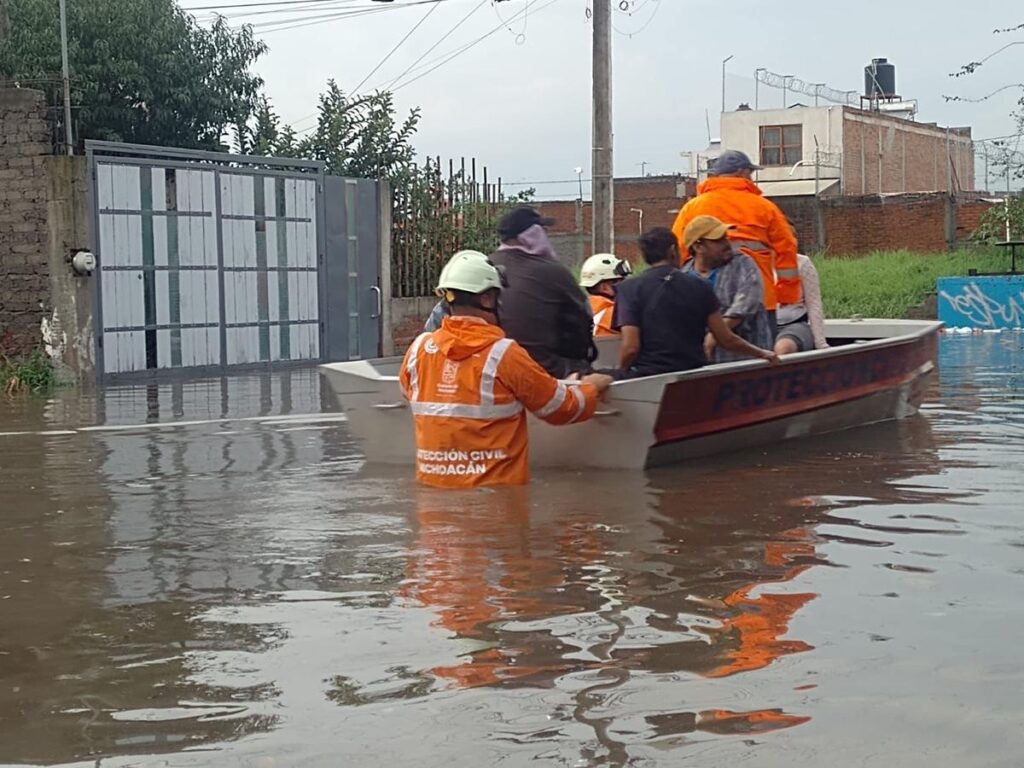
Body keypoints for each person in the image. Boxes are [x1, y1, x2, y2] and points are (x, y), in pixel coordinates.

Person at [399, 250, 614, 488]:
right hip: (495, 499)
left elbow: (413, 392)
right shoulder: (503, 355)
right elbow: (559, 408)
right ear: (487, 299)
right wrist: (590, 388)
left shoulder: (418, 349)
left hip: (433, 508)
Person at [612, 228, 779, 378]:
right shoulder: (700, 286)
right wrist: (762, 353)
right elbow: (725, 338)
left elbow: (631, 347)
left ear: (644, 256)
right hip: (693, 374)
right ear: (672, 251)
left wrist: (622, 374)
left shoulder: (628, 289)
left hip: (648, 376)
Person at [670, 149, 801, 337]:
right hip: (760, 299)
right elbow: (787, 249)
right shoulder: (764, 207)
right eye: (751, 173)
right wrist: (787, 294)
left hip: (706, 298)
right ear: (741, 172)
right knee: (759, 358)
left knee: (710, 358)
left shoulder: (693, 207)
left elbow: (678, 251)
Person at [489, 206, 595, 378]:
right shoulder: (553, 271)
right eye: (542, 230)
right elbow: (585, 317)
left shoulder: (486, 264)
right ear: (532, 234)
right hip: (545, 369)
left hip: (491, 368)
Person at [679, 215, 773, 363]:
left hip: (747, 363)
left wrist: (713, 335)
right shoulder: (683, 276)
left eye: (725, 237)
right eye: (718, 240)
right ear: (698, 247)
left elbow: (746, 305)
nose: (726, 243)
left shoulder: (743, 264)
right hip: (702, 367)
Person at [774, 254, 829, 354]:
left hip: (795, 325)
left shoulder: (802, 262)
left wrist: (821, 344)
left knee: (783, 348)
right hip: (762, 326)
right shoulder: (754, 262)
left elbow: (814, 304)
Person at [578, 252, 632, 337]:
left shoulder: (583, 309)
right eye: (621, 281)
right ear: (604, 287)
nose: (626, 286)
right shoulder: (612, 312)